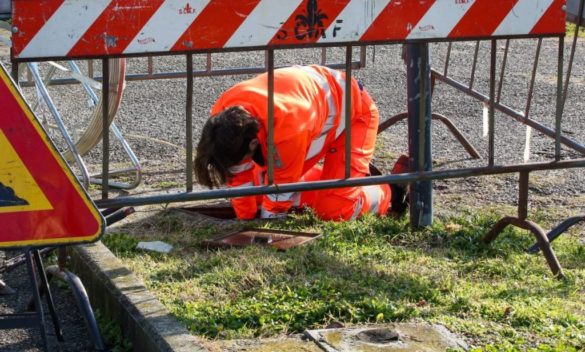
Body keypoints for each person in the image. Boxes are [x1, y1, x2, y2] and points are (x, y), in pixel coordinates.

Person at [194, 65, 407, 221]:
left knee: (335, 210)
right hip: (314, 115)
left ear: (251, 144)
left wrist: (263, 227)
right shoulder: (224, 118)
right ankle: (343, 178)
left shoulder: (286, 129)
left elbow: (277, 203)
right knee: (263, 191)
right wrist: (246, 217)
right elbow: (238, 175)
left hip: (355, 115)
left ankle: (389, 190)